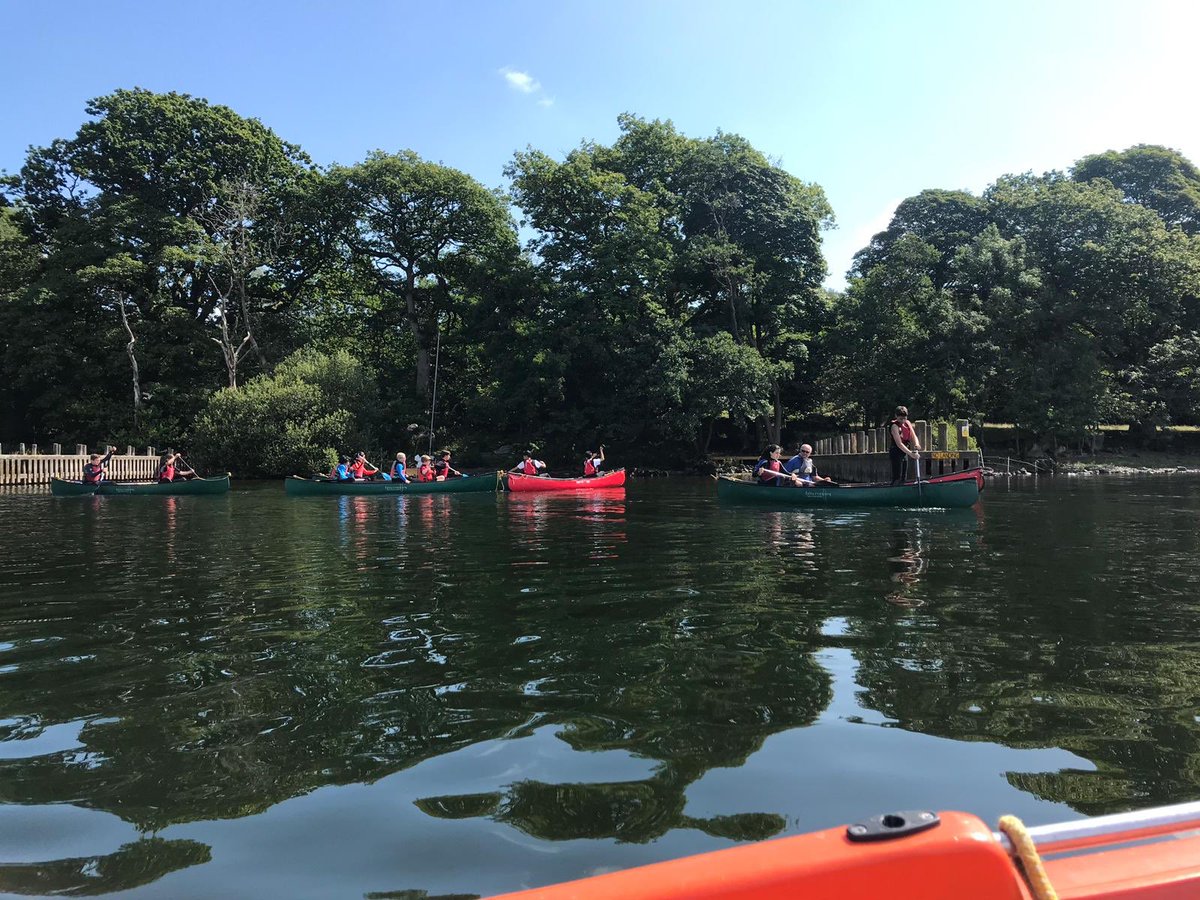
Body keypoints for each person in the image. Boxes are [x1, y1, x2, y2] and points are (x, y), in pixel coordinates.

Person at [888, 405, 923, 484]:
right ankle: (894, 490)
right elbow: (899, 443)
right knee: (897, 476)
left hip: (904, 452)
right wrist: (911, 454)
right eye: (901, 418)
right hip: (896, 452)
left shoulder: (907, 423)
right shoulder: (894, 426)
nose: (903, 420)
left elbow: (913, 436)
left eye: (904, 418)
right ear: (896, 416)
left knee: (903, 477)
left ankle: (902, 487)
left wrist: (917, 444)